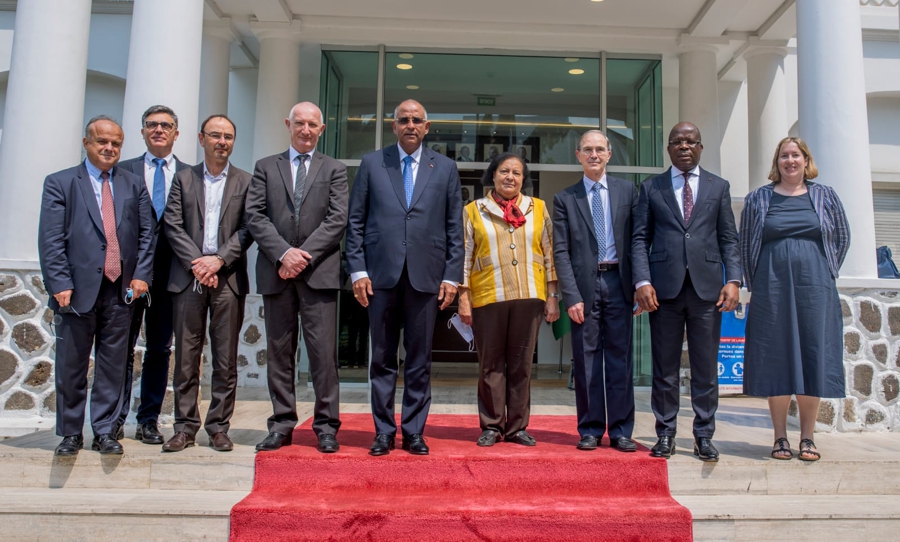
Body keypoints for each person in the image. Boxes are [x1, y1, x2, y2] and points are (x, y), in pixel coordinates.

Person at [346, 99, 464, 456]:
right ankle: (383, 431)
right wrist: (358, 269)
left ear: (427, 127)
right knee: (381, 358)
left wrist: (452, 276)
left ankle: (413, 430)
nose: (410, 125)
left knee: (418, 359)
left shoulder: (444, 168)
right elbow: (355, 222)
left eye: (417, 120)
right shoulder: (372, 163)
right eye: (403, 120)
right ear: (393, 126)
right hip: (380, 276)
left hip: (425, 278)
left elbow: (454, 227)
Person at [38, 116, 155, 456]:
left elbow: (148, 235)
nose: (109, 148)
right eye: (102, 142)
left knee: (113, 365)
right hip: (75, 291)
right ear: (86, 143)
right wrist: (59, 281)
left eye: (115, 143)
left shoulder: (133, 184)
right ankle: (71, 433)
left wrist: (142, 275)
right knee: (72, 365)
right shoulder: (60, 183)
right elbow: (50, 239)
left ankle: (105, 430)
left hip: (121, 290)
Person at [632, 121, 741, 462]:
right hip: (663, 290)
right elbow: (639, 239)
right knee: (664, 366)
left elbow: (728, 239)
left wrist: (734, 279)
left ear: (700, 147)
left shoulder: (717, 187)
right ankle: (665, 433)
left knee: (705, 367)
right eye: (677, 142)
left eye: (690, 141)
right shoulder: (651, 188)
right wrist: (642, 281)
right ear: (668, 148)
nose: (684, 146)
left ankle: (703, 435)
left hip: (708, 290)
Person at [245, 102, 348, 453]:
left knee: (322, 355)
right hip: (277, 273)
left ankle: (326, 426)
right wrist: (283, 254)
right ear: (288, 124)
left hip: (318, 273)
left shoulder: (334, 169)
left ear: (322, 129)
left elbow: (337, 219)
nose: (306, 130)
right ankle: (282, 423)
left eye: (313, 125)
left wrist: (301, 256)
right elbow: (255, 216)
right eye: (299, 123)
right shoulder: (264, 167)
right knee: (278, 352)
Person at [740, 136, 850, 462]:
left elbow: (842, 236)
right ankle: (779, 437)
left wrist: (824, 268)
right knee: (776, 356)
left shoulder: (825, 195)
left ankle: (807, 437)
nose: (790, 161)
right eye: (785, 156)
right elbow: (746, 243)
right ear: (777, 162)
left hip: (815, 288)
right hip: (771, 287)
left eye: (796, 155)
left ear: (806, 160)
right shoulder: (759, 198)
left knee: (812, 354)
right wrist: (753, 283)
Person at [160, 115, 253, 453]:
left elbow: (249, 228)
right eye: (215, 135)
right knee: (186, 357)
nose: (222, 141)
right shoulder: (183, 179)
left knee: (226, 359)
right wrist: (198, 263)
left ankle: (218, 427)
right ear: (201, 139)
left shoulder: (247, 181)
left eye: (228, 136)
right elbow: (172, 225)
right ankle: (184, 427)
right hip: (188, 280)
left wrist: (219, 260)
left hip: (228, 279)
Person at [457, 152, 558, 447]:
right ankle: (491, 426)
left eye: (516, 172)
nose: (510, 177)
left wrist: (552, 296)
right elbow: (463, 257)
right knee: (490, 364)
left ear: (524, 179)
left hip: (530, 295)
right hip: (489, 296)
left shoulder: (537, 208)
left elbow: (550, 253)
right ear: (493, 175)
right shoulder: (474, 210)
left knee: (521, 364)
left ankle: (516, 427)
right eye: (504, 171)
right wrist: (464, 298)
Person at [553, 130, 640, 452]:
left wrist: (640, 284)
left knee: (620, 359)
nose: (593, 155)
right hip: (584, 289)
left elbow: (637, 242)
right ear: (577, 155)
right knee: (586, 359)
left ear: (609, 154)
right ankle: (589, 428)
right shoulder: (566, 199)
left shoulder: (629, 192)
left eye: (599, 149)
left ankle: (620, 430)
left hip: (619, 283)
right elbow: (560, 252)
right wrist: (571, 296)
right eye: (587, 150)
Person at [115, 105, 190, 445]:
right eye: (152, 125)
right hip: (129, 276)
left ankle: (149, 419)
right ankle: (112, 420)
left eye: (166, 125)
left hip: (171, 275)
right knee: (120, 348)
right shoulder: (121, 171)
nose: (159, 130)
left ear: (177, 133)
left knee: (160, 348)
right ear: (142, 131)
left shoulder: (192, 175)